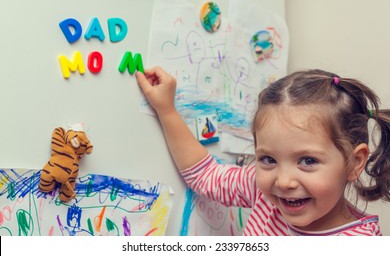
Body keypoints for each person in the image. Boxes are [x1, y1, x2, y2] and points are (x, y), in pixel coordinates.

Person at [135, 66, 390, 236]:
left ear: (354, 163)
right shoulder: (261, 190)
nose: (283, 181)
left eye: (308, 161)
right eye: (268, 159)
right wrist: (167, 111)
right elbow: (205, 175)